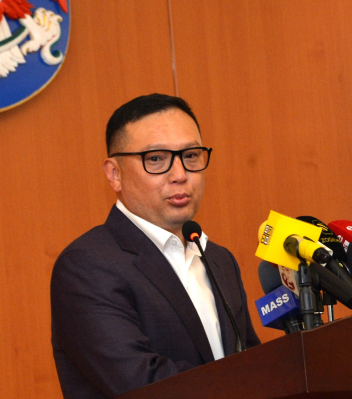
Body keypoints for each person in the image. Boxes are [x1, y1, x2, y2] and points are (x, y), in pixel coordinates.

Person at [51, 94, 260, 398]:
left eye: (191, 156)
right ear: (114, 174)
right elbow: (139, 382)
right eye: (156, 159)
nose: (180, 175)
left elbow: (251, 362)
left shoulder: (218, 259)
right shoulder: (88, 265)